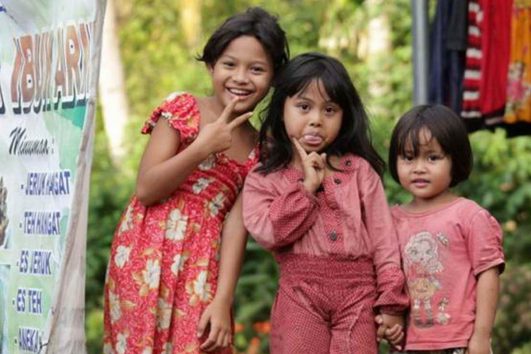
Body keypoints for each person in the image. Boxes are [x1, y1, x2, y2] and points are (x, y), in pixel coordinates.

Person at [103, 7, 289, 354]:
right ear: (211, 66)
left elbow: (237, 224)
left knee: (202, 344)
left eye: (257, 69)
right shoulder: (184, 108)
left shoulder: (261, 149)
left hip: (204, 260)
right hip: (145, 249)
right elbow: (146, 189)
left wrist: (223, 300)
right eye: (229, 64)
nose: (241, 78)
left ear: (274, 77)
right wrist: (201, 147)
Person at [242, 52, 409, 354]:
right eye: (304, 107)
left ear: (345, 115)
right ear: (282, 108)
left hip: (359, 296)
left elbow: (385, 243)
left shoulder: (358, 171)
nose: (316, 120)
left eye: (329, 109)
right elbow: (268, 232)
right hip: (299, 295)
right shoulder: (264, 177)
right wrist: (306, 188)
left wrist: (391, 304)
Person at [381, 104, 504, 354]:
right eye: (408, 157)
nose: (418, 167)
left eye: (432, 157)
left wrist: (482, 337)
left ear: (455, 159)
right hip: (408, 347)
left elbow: (488, 275)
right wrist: (387, 320)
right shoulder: (390, 220)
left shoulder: (469, 216)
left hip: (458, 344)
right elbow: (386, 278)